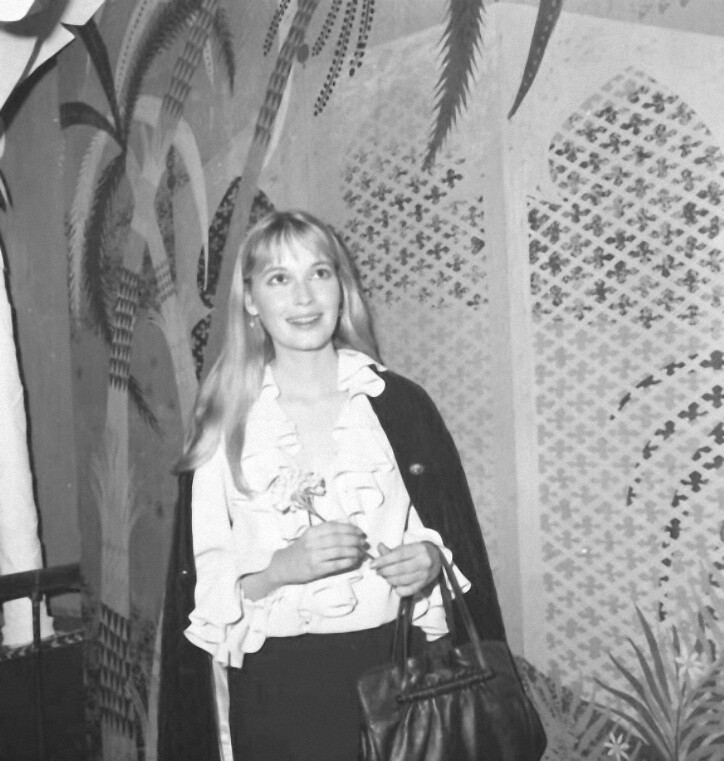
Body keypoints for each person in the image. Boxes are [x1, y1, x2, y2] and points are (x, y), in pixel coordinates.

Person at [158, 209, 506, 761]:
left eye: (319, 273)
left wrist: (428, 561)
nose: (304, 297)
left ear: (341, 289)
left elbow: (447, 536)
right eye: (279, 278)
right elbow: (204, 585)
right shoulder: (226, 420)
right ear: (251, 301)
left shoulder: (396, 404)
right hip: (281, 690)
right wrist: (281, 568)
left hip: (402, 671)